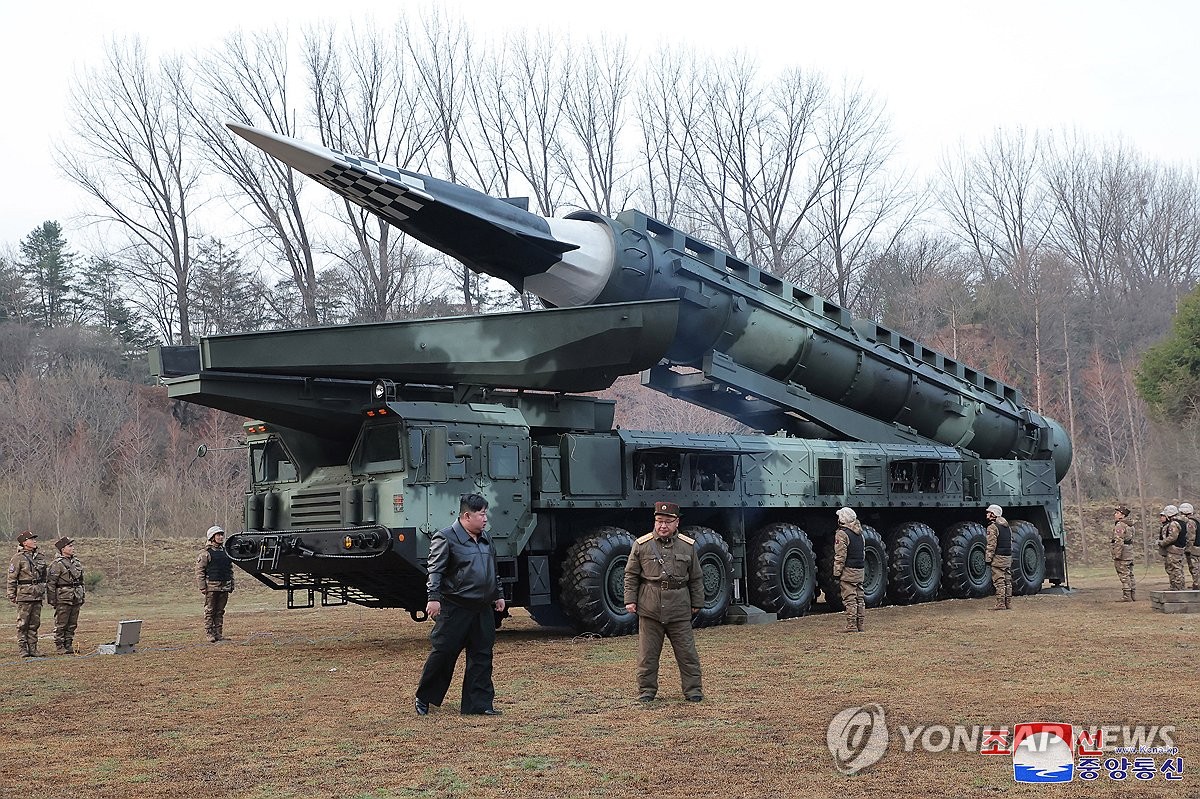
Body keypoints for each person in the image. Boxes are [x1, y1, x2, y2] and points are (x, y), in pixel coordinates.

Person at [415, 494, 506, 716]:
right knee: (444, 652)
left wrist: (498, 594)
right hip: (455, 607)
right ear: (467, 515)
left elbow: (493, 570)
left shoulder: (486, 538)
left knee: (482, 655)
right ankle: (424, 697)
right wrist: (433, 598)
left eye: (485, 513)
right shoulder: (445, 538)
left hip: (482, 607)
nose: (485, 519)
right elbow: (435, 570)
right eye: (481, 514)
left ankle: (479, 705)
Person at [623, 501, 705, 703]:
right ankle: (646, 691)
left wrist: (698, 602)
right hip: (650, 607)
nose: (662, 526)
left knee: (687, 655)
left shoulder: (688, 546)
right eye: (659, 521)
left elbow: (696, 577)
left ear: (676, 522)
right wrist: (630, 600)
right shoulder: (642, 545)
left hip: (679, 608)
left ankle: (693, 690)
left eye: (668, 522)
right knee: (647, 656)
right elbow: (631, 575)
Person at [6, 531, 48, 657]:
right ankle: (23, 649)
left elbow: (44, 576)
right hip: (25, 594)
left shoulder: (40, 557)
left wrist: (43, 589)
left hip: (37, 594)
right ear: (24, 543)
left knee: (34, 623)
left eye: (35, 539)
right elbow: (11, 577)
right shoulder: (17, 558)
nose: (35, 541)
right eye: (32, 539)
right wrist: (11, 594)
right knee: (23, 623)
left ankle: (33, 649)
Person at [196, 525, 235, 643]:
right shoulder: (205, 553)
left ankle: (218, 634)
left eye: (221, 535)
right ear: (212, 537)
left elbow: (230, 569)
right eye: (218, 535)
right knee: (210, 611)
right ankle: (209, 634)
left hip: (225, 586)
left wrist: (232, 583)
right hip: (212, 587)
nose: (221, 537)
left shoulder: (226, 552)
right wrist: (202, 587)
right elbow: (199, 571)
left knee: (220, 611)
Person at [46, 537, 85, 654]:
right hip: (63, 597)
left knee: (72, 623)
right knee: (61, 623)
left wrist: (82, 595)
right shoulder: (56, 564)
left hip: (76, 596)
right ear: (63, 549)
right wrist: (52, 600)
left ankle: (68, 644)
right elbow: (51, 583)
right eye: (70, 546)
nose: (72, 548)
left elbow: (81, 581)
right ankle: (59, 645)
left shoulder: (76, 562)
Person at [832, 507, 866, 632]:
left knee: (849, 598)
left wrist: (837, 572)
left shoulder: (842, 534)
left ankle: (851, 625)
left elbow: (840, 555)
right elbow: (863, 553)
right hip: (860, 569)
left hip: (848, 570)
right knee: (860, 597)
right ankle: (860, 624)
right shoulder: (860, 534)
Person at [984, 504, 1012, 610]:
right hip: (1007, 557)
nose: (987, 514)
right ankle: (1008, 603)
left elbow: (991, 544)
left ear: (993, 514)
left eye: (989, 512)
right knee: (1007, 580)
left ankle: (1000, 604)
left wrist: (988, 558)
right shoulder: (1007, 526)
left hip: (998, 557)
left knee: (999, 581)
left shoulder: (993, 527)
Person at [1156, 505, 1187, 591]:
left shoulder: (1173, 523)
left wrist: (1162, 543)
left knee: (1175, 569)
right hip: (1180, 548)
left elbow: (1172, 537)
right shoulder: (1182, 522)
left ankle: (1178, 587)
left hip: (1174, 549)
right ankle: (1177, 586)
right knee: (1177, 568)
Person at [1110, 506, 1136, 602]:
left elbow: (1119, 541)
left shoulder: (1120, 525)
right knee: (1130, 574)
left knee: (1124, 574)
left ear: (1122, 515)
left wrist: (1116, 555)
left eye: (1117, 513)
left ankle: (1127, 595)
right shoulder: (1130, 525)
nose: (1115, 515)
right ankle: (1132, 594)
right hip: (1129, 551)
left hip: (1123, 553)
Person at [1180, 502, 1200, 591]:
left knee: (1194, 568)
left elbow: (1191, 536)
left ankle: (1197, 585)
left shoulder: (1190, 522)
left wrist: (1188, 549)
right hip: (1197, 547)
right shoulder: (1197, 520)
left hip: (1194, 549)